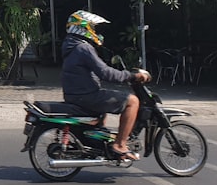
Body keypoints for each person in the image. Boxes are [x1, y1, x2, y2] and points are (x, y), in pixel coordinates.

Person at [60, 10, 151, 160]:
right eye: (93, 28)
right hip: (85, 95)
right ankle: (120, 145)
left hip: (76, 94)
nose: (95, 32)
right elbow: (105, 73)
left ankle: (98, 144)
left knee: (106, 99)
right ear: (84, 28)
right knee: (133, 101)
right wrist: (131, 76)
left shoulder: (71, 46)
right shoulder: (84, 48)